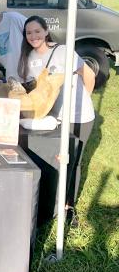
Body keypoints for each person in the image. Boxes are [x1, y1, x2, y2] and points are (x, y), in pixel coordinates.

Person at [18, 15, 95, 218]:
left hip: (78, 115)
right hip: (53, 117)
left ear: (45, 31)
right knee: (59, 158)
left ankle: (69, 206)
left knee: (74, 160)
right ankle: (54, 201)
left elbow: (88, 75)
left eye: (37, 31)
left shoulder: (62, 51)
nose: (33, 36)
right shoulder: (30, 58)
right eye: (28, 33)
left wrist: (82, 98)